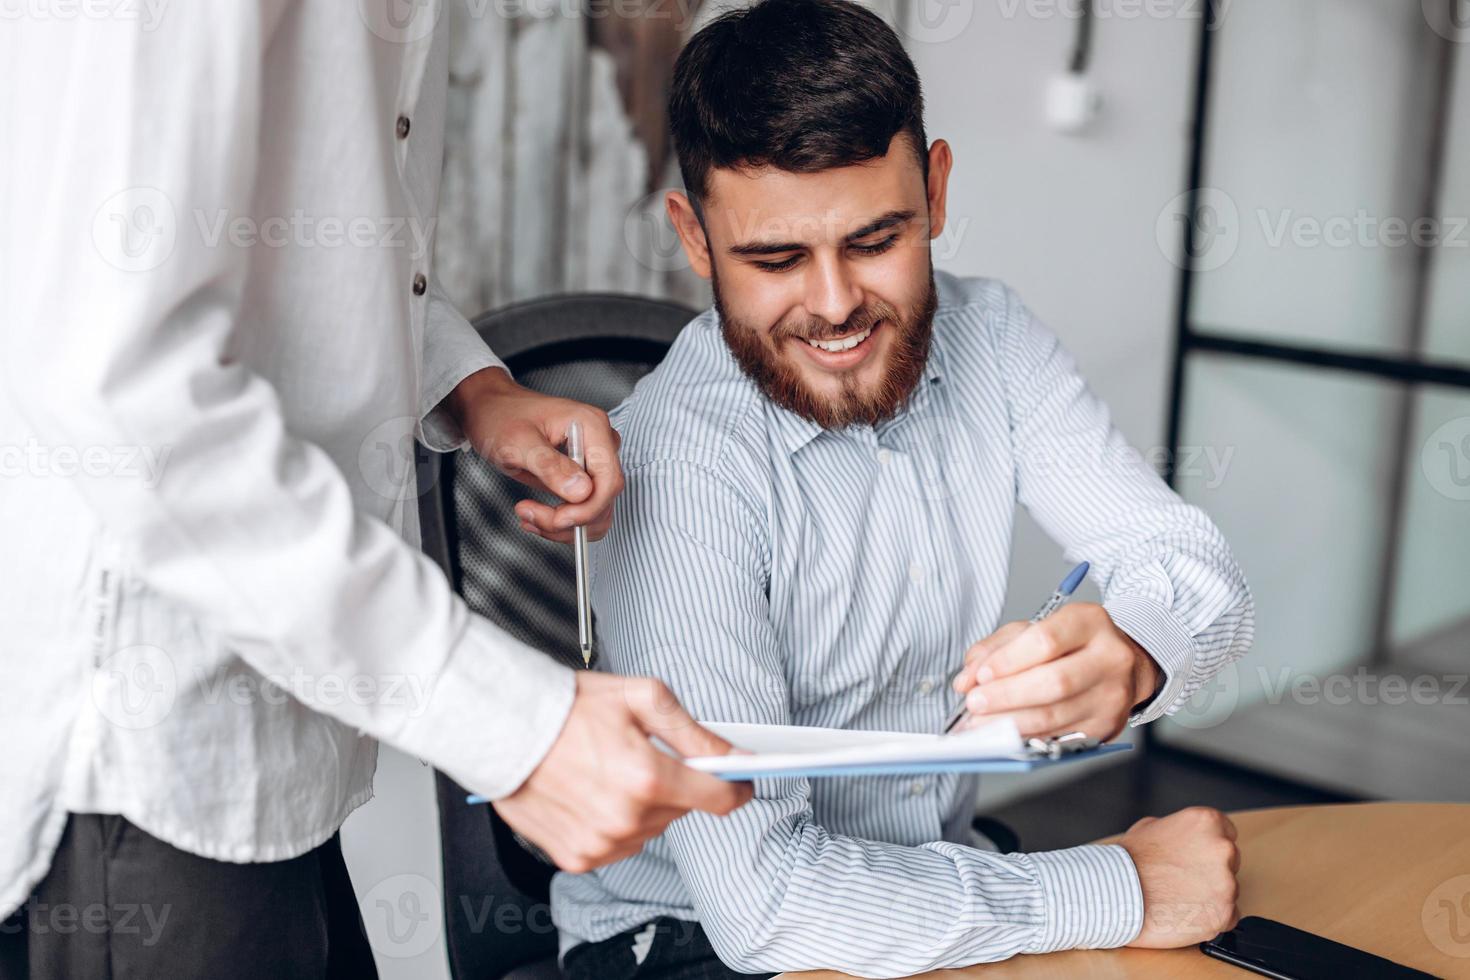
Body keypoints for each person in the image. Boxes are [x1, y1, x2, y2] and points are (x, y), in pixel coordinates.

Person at [0, 3, 749, 977]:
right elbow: (115, 373)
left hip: (277, 728)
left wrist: (471, 387)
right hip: (151, 752)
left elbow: (314, 248)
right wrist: (514, 724)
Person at [550, 1, 1254, 977]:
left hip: (931, 880)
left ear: (936, 189)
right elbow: (766, 902)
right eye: (776, 258)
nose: (836, 305)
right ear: (696, 238)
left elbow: (1192, 566)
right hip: (692, 941)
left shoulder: (994, 336)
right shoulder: (674, 463)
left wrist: (1137, 648)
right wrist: (1122, 884)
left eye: (875, 239)